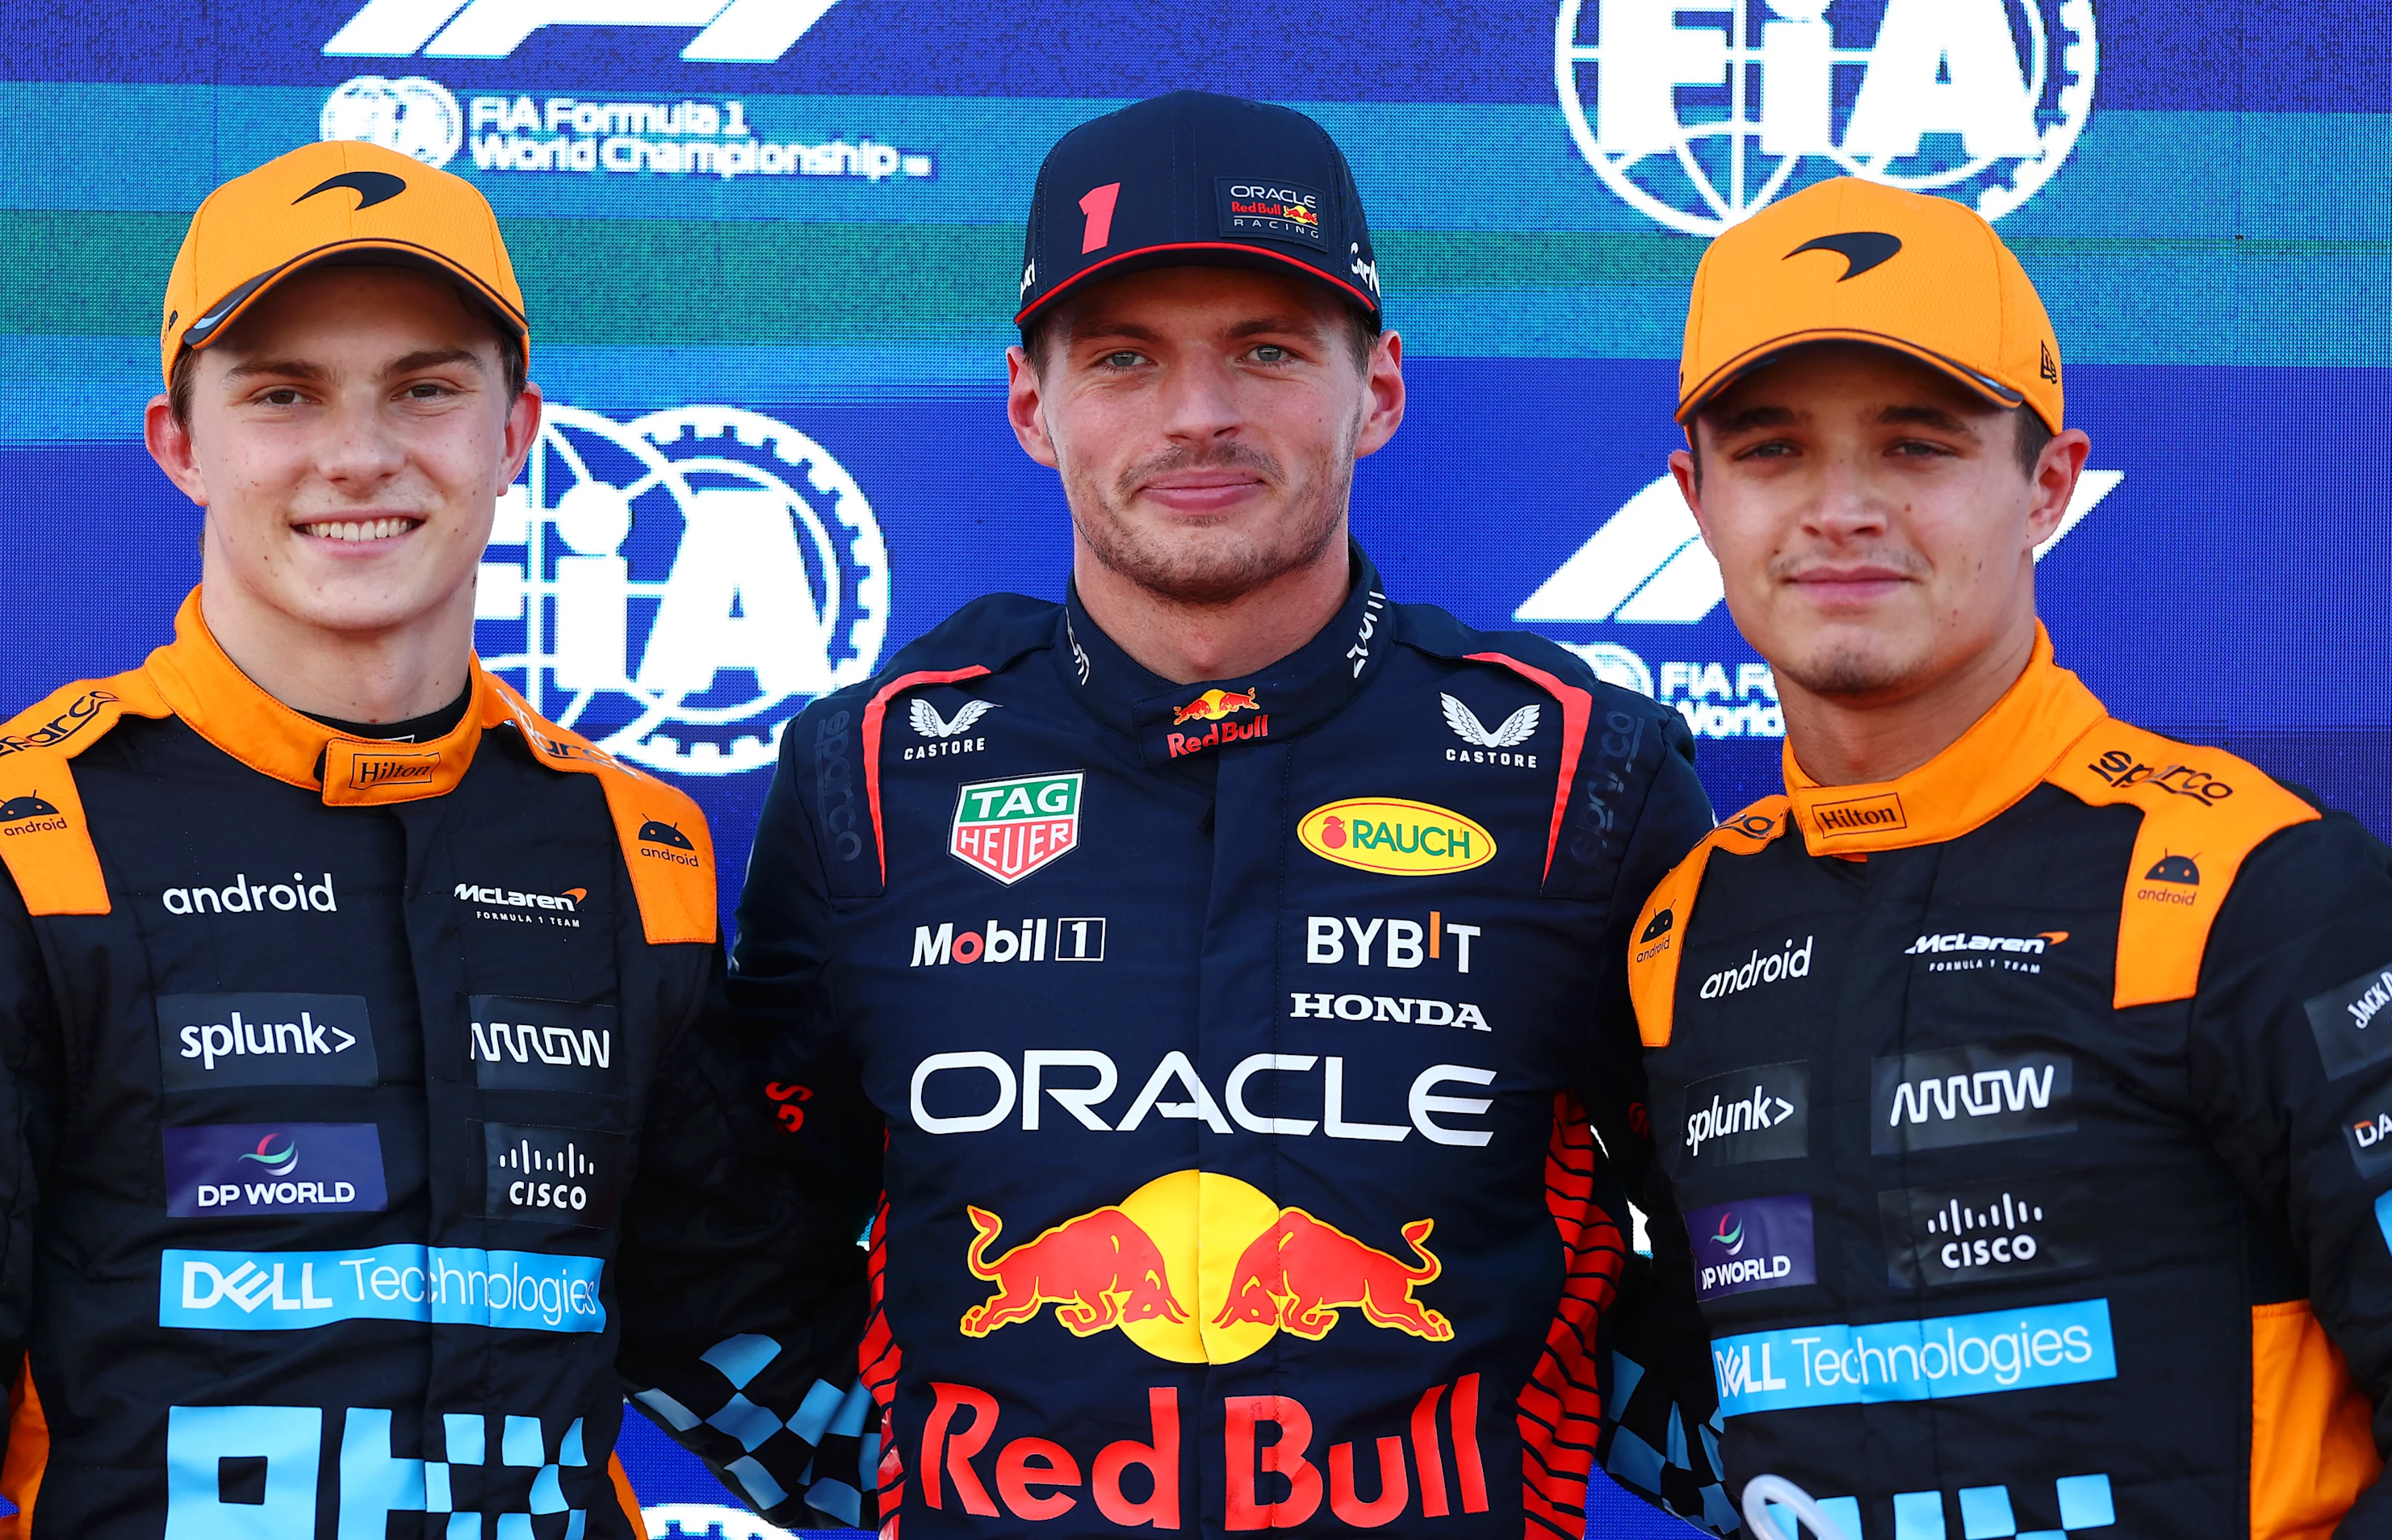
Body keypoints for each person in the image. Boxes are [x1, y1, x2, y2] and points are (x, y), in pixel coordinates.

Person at [0, 140, 869, 1537]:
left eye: (427, 388)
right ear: (181, 444)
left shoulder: (635, 851)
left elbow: (751, 1356)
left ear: (515, 435)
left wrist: (1089, 1438)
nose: (358, 454)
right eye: (283, 394)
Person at [689, 90, 1726, 1538]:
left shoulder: (1574, 771)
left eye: (1267, 350)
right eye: (1124, 359)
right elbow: (709, 1229)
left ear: (1379, 388)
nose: (1198, 414)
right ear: (1030, 404)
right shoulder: (872, 771)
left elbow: (1763, 1229)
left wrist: (1553, 1449)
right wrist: (910, 1478)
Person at [1627, 174, 2392, 1534]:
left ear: (2050, 487)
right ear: (1696, 497)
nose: (1841, 508)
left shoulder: (2250, 885)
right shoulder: (1684, 927)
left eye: (1917, 446)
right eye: (1773, 449)